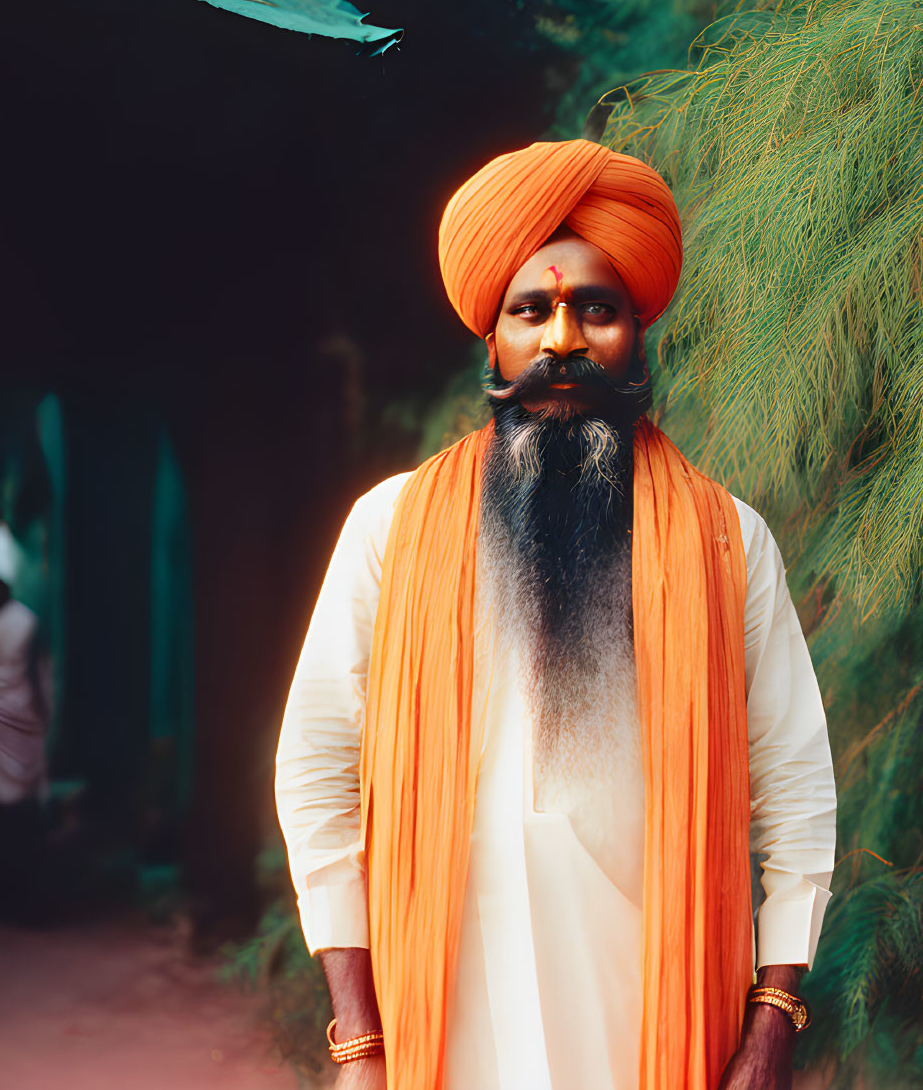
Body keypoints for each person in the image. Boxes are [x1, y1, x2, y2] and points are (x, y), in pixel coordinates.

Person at [275, 139, 838, 1090]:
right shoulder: (389, 529)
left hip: (654, 1012)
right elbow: (315, 772)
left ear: (636, 331)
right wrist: (359, 1040)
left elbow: (793, 792)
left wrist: (770, 1023)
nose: (563, 340)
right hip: (448, 1013)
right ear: (490, 339)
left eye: (597, 309)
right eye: (531, 309)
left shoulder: (725, 541)